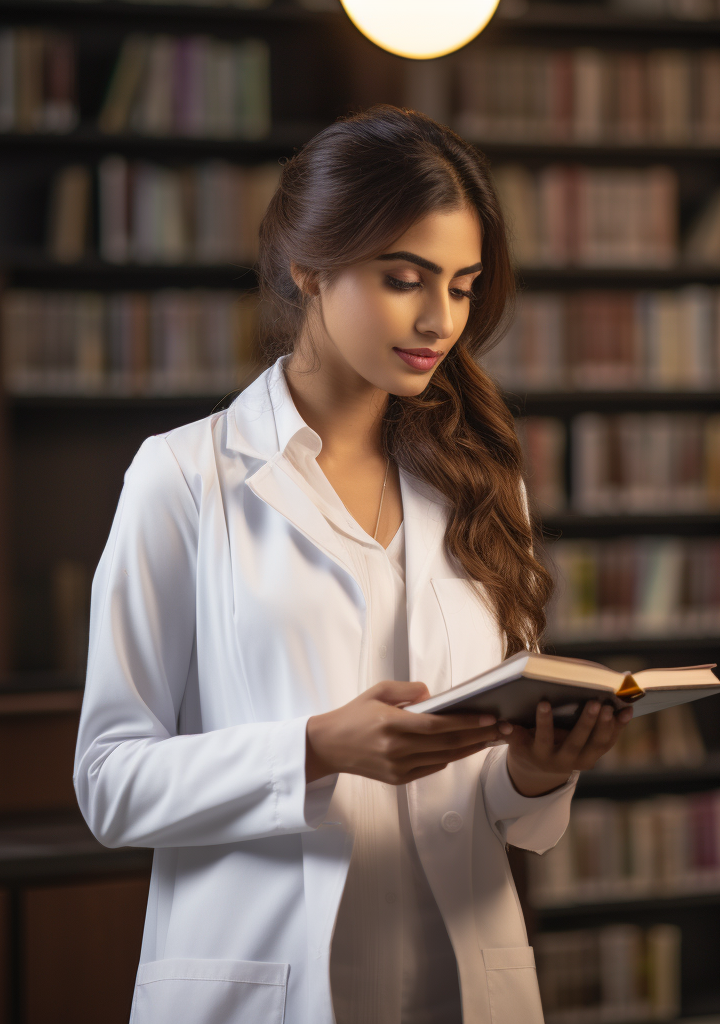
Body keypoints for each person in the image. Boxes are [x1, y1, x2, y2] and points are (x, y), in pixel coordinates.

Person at [73, 105, 632, 1024]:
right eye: (404, 279)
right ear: (309, 268)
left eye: (462, 285)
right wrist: (318, 748)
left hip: (458, 985)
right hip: (265, 985)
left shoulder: (482, 480)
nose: (439, 319)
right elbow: (109, 783)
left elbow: (498, 810)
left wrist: (537, 770)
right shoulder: (182, 478)